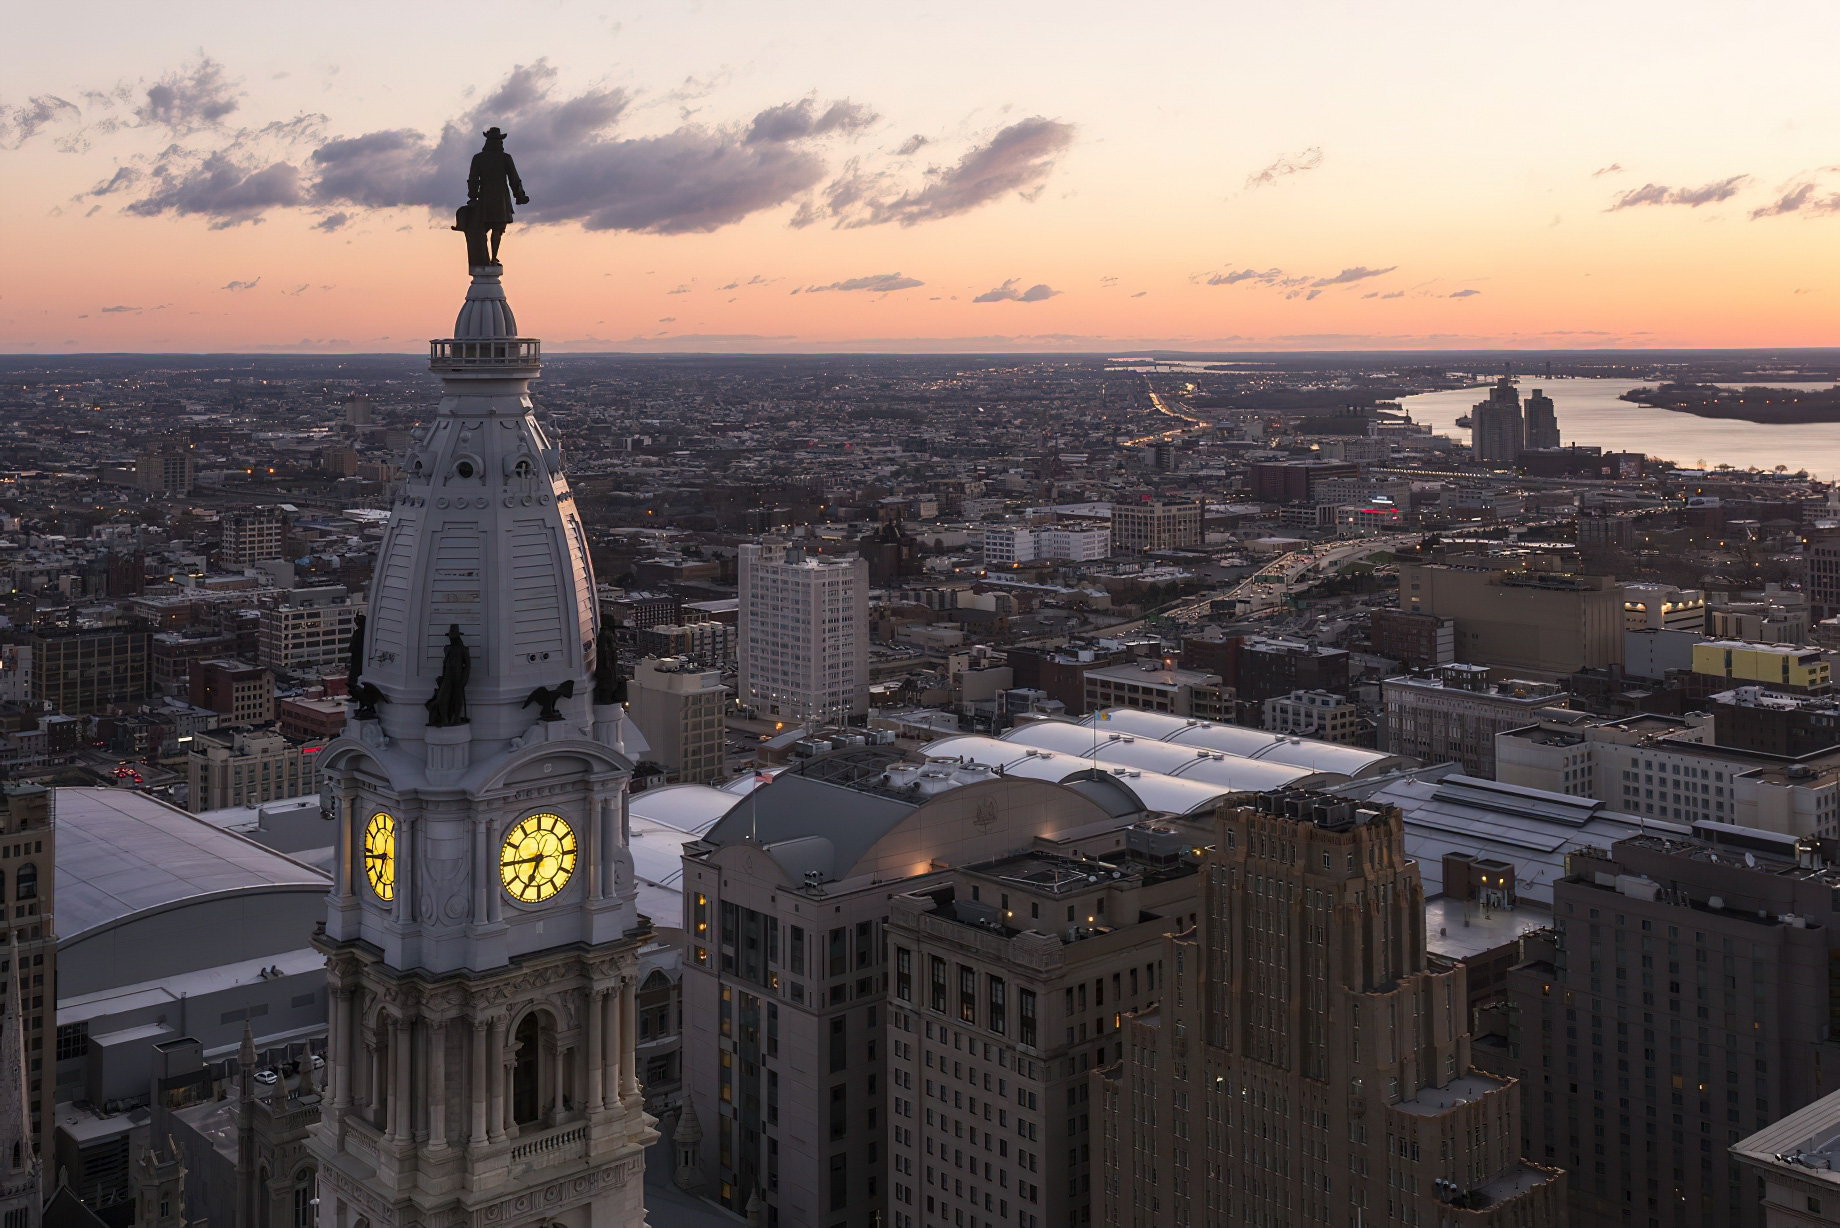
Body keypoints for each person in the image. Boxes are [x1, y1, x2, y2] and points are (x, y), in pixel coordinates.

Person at [466, 127, 529, 265]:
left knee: (483, 228)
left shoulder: (478, 158)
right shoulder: (505, 158)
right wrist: (520, 196)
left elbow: (473, 180)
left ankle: (488, 258)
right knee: (497, 229)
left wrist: (473, 196)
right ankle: (493, 258)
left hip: (485, 198)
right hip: (501, 198)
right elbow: (514, 179)